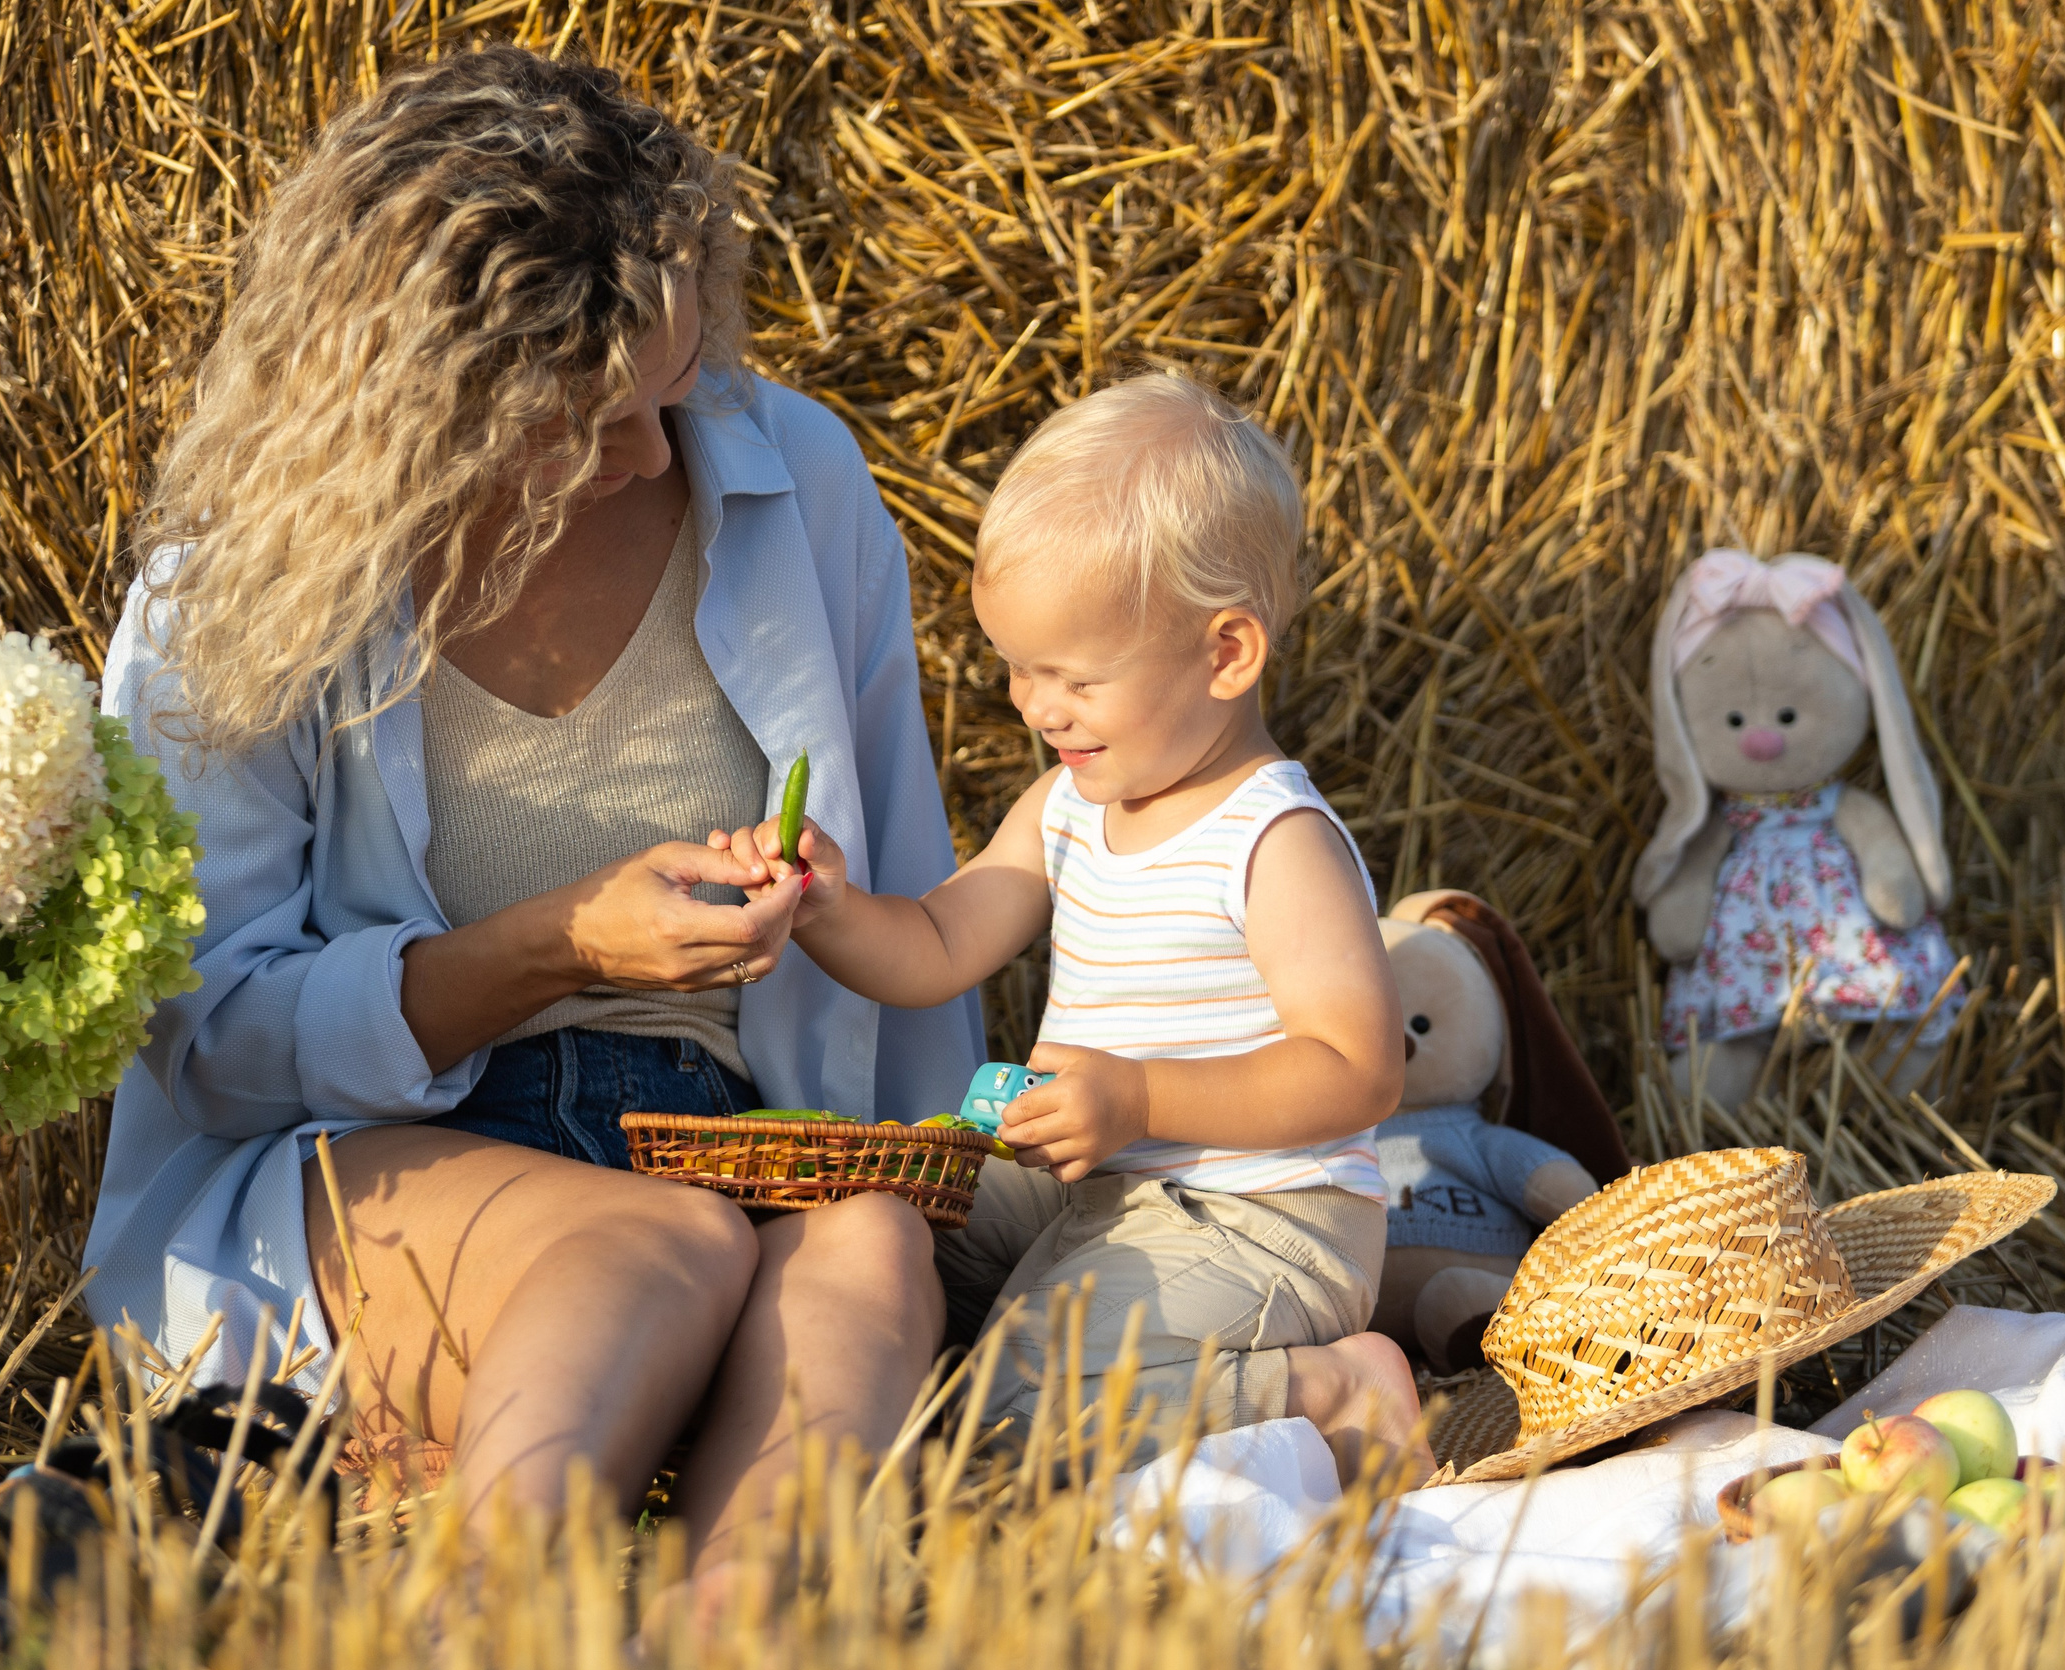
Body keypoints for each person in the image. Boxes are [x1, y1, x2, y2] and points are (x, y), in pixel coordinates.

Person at [83, 46, 980, 1569]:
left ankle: (733, 1649)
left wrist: (955, 1167)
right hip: (374, 1159)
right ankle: (491, 1631)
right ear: (413, 419)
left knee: (872, 1246)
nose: (656, 452)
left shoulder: (801, 478)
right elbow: (212, 1037)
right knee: (655, 1244)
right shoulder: (234, 596)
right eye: (588, 418)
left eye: (677, 383)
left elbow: (902, 855)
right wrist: (562, 945)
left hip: (734, 1138)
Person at [720, 374, 1433, 1477]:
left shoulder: (1271, 838)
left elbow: (1358, 1070)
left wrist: (1141, 1098)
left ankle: (1330, 1386)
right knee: (884, 1228)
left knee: (1018, 1404)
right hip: (1097, 1188)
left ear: (1225, 654)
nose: (1033, 706)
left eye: (1073, 677)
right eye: (1016, 666)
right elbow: (939, 946)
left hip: (1261, 1218)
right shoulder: (1066, 807)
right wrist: (829, 907)